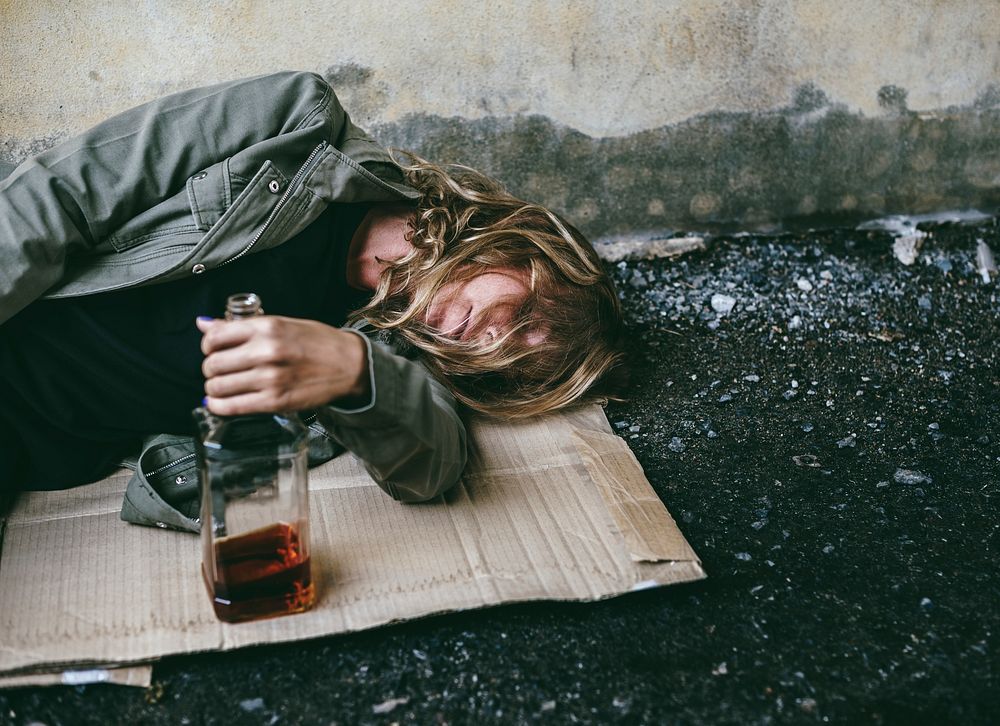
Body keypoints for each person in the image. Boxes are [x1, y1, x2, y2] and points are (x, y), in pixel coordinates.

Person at [0, 71, 624, 525]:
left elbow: (433, 466)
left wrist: (356, 373)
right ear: (522, 249)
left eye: (505, 363)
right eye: (526, 316)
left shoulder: (396, 356)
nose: (486, 342)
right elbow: (58, 199)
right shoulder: (296, 121)